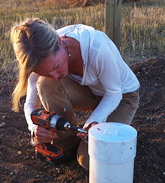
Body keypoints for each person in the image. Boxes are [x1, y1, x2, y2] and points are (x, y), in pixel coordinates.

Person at [10, 18, 140, 170]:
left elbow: (114, 93)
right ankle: (67, 143)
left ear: (60, 42)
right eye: (46, 72)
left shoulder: (96, 49)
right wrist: (34, 128)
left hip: (122, 96)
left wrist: (94, 121)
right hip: (89, 92)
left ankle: (95, 141)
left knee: (90, 160)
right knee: (46, 83)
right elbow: (31, 104)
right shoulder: (37, 59)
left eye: (56, 66)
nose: (55, 75)